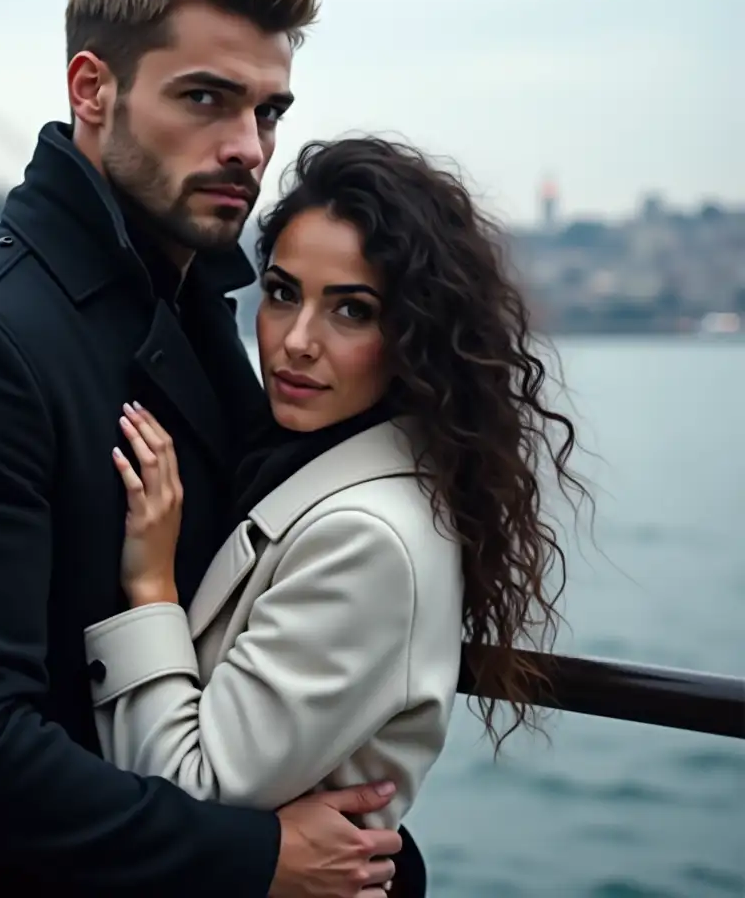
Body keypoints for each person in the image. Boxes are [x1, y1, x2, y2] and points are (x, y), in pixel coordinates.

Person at [0, 0, 406, 898]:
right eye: (205, 99)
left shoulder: (199, 316)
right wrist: (259, 861)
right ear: (93, 90)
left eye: (268, 110)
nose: (247, 147)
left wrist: (367, 855)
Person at [85, 136, 592, 895]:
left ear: (413, 337)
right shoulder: (300, 460)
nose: (295, 343)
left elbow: (193, 793)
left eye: (351, 310)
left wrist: (152, 585)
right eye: (284, 293)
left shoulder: (369, 537)